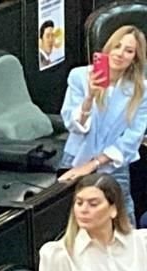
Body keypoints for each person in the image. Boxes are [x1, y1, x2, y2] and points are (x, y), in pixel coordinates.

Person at [58, 25, 147, 226]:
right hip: (76, 159)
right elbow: (72, 124)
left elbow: (132, 138)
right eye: (117, 46)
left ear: (135, 57)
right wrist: (89, 97)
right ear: (108, 47)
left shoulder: (141, 90)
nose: (120, 54)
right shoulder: (79, 77)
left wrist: (94, 164)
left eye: (129, 50)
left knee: (124, 222)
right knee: (79, 221)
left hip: (113, 165)